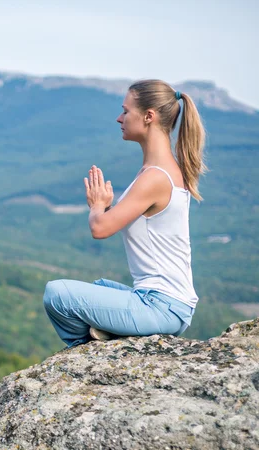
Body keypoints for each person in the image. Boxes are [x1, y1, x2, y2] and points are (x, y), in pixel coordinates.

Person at [43, 79, 207, 349]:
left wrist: (97, 206)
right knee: (99, 287)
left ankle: (85, 351)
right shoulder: (161, 170)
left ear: (148, 116)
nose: (119, 118)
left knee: (57, 294)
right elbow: (121, 222)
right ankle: (104, 340)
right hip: (166, 303)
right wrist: (107, 209)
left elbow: (100, 229)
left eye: (126, 111)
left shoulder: (155, 176)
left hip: (161, 306)